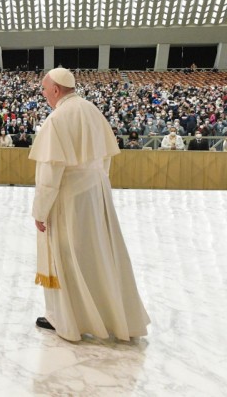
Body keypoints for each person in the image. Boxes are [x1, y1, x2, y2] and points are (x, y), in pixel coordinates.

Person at [30, 67, 149, 342]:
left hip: (69, 200)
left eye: (45, 90)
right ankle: (108, 317)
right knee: (98, 256)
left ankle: (65, 319)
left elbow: (49, 174)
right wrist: (97, 188)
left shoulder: (57, 119)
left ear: (56, 90)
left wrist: (40, 211)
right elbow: (105, 158)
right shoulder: (92, 111)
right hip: (96, 194)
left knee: (68, 257)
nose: (44, 94)